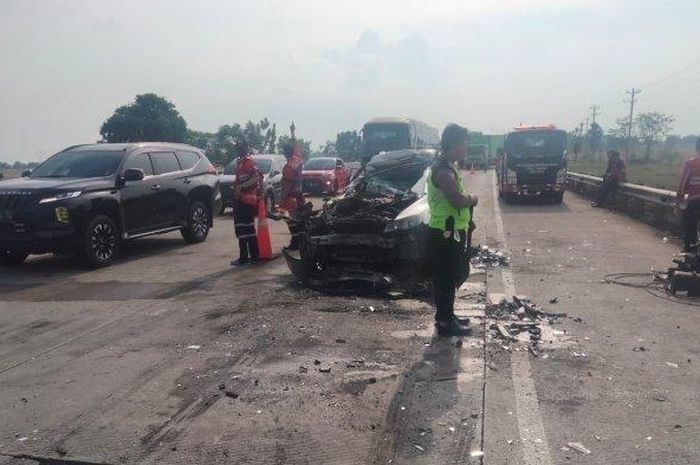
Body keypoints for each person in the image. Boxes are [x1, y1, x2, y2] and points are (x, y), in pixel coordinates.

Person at [428, 124, 479, 336]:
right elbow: (456, 199)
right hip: (445, 233)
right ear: (456, 145)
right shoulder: (443, 171)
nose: (466, 148)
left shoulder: (448, 167)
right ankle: (446, 322)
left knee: (449, 275)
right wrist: (472, 199)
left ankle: (446, 315)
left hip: (450, 231)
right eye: (464, 144)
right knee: (447, 277)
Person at [231, 141, 261, 265]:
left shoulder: (248, 162)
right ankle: (253, 255)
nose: (238, 150)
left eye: (240, 147)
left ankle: (245, 257)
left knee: (244, 229)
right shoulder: (240, 163)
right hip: (242, 200)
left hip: (246, 201)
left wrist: (241, 187)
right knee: (246, 229)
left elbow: (257, 178)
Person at [281, 123, 306, 249]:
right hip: (300, 195)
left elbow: (286, 184)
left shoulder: (288, 167)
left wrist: (282, 199)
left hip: (291, 197)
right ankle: (301, 241)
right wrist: (292, 133)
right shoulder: (297, 159)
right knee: (300, 220)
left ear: (285, 153)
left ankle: (295, 243)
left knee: (291, 221)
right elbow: (296, 146)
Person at [676, 138, 700, 252]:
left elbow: (682, 184)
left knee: (689, 225)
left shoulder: (691, 163)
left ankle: (689, 250)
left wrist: (678, 202)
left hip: (695, 201)